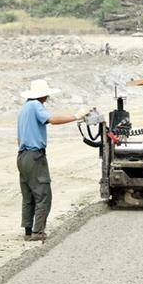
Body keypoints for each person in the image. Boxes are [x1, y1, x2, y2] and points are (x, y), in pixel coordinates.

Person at [17, 79, 90, 242]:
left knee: (28, 195)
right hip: (34, 156)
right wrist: (76, 116)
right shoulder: (36, 106)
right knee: (43, 194)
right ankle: (38, 232)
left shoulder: (24, 109)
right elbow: (52, 120)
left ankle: (28, 231)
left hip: (22, 156)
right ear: (42, 95)